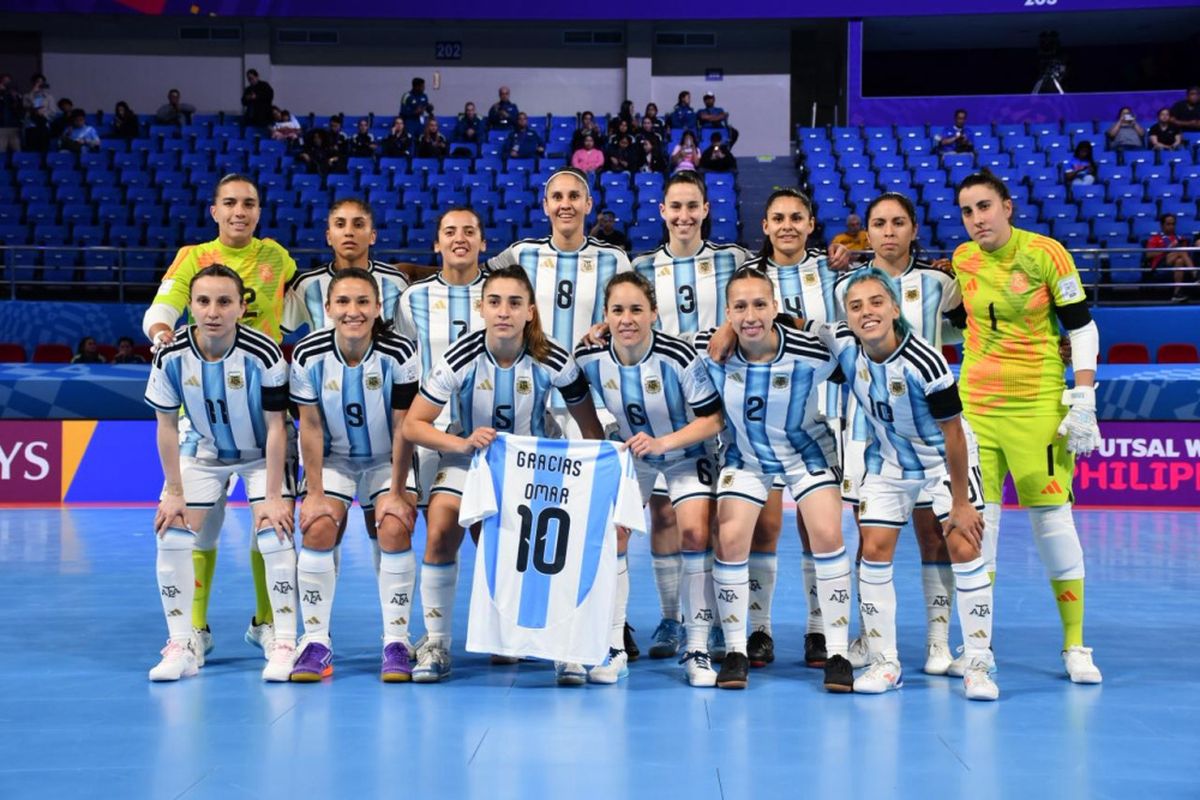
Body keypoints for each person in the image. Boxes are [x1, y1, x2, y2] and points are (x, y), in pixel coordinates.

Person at [401, 265, 605, 685]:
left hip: (534, 465)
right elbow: (413, 425)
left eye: (514, 303)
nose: (504, 311)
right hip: (470, 459)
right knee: (440, 529)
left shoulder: (553, 358)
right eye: (494, 302)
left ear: (530, 311)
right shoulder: (460, 356)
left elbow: (591, 430)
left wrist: (591, 483)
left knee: (549, 548)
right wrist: (461, 444)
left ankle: (561, 646)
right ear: (481, 308)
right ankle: (437, 643)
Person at [814, 269, 996, 700]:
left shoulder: (925, 361)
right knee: (873, 551)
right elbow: (798, 325)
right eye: (856, 306)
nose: (867, 312)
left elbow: (953, 434)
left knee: (963, 546)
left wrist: (960, 502)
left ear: (895, 308)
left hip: (942, 461)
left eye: (876, 302)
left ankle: (978, 662)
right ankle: (885, 663)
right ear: (847, 317)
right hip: (888, 461)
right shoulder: (842, 343)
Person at [953, 170, 1103, 684]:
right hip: (976, 409)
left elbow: (1081, 327)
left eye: (984, 206)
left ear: (1007, 207)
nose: (977, 219)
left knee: (1053, 523)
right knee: (980, 525)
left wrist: (1083, 395)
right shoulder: (963, 259)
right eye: (967, 211)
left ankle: (1075, 645)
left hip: (1036, 405)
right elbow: (961, 321)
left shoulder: (1046, 254)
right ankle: (979, 647)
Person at [142, 174, 299, 662]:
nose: (239, 211)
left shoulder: (277, 257)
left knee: (270, 528)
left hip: (263, 413)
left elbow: (298, 309)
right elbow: (163, 307)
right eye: (229, 202)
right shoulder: (193, 257)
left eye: (249, 203)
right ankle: (193, 631)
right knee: (193, 528)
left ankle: (268, 625)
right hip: (204, 422)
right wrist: (162, 332)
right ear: (214, 211)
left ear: (259, 211)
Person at [704, 189, 851, 671]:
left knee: (821, 531)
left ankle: (825, 637)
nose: (787, 225)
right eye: (777, 217)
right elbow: (666, 344)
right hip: (748, 448)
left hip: (808, 436)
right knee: (752, 531)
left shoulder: (832, 274)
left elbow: (854, 350)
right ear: (764, 225)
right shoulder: (742, 287)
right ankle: (752, 635)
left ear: (811, 223)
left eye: (796, 217)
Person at [832, 191, 967, 675]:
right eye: (879, 224)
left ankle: (938, 643)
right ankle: (870, 639)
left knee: (935, 538)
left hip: (926, 430)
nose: (888, 232)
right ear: (866, 232)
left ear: (913, 229)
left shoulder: (939, 283)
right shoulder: (845, 285)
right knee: (870, 540)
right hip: (867, 432)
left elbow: (960, 334)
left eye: (897, 223)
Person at [575, 271, 725, 686]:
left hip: (686, 451)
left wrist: (662, 443)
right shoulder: (589, 356)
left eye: (637, 309)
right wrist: (601, 447)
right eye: (617, 310)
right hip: (634, 453)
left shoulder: (677, 356)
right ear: (605, 316)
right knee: (612, 534)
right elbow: (577, 402)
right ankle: (613, 647)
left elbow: (713, 420)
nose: (627, 319)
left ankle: (697, 647)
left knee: (694, 533)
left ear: (654, 313)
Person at [288, 268, 421, 681]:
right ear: (328, 308)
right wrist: (313, 493)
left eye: (363, 302)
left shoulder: (400, 353)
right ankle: (315, 641)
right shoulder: (308, 355)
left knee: (394, 524)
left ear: (378, 307)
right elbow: (310, 427)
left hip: (387, 458)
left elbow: (403, 426)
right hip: (334, 460)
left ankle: (397, 642)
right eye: (343, 302)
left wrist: (396, 491)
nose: (353, 311)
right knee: (318, 526)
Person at [395, 207, 489, 511]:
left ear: (483, 243)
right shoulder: (414, 297)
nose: (459, 239)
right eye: (450, 232)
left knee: (487, 521)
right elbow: (406, 359)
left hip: (485, 430)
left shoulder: (498, 293)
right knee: (436, 525)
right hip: (430, 428)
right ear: (437, 244)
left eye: (469, 232)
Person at [283, 197, 410, 335]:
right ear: (329, 237)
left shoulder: (396, 281)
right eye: (340, 224)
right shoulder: (306, 284)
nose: (348, 232)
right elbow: (277, 332)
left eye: (358, 225)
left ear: (372, 236)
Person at [1145, 213, 1196, 303]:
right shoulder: (1155, 238)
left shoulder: (1179, 238)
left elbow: (1187, 255)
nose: (1171, 227)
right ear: (1162, 225)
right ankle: (1195, 274)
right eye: (1168, 224)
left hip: (1175, 265)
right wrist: (1168, 249)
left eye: (1173, 224)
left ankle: (1177, 294)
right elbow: (1148, 255)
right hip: (1160, 265)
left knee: (1179, 261)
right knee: (1180, 251)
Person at [23, 74, 55, 152]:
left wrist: (44, 114)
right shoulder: (26, 96)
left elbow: (53, 112)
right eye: (37, 81)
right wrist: (33, 92)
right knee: (31, 148)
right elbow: (25, 106)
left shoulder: (48, 97)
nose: (39, 83)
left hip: (44, 124)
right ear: (33, 83)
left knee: (44, 148)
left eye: (41, 82)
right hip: (31, 125)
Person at [0, 74, 23, 153]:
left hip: (14, 128)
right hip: (1, 128)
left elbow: (20, 109)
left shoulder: (16, 95)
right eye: (4, 81)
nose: (6, 83)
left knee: (17, 152)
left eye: (8, 81)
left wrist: (15, 97)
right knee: (1, 152)